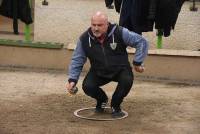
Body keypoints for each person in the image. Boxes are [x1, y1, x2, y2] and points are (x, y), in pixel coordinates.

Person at [66, 11, 149, 117]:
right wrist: (72, 80)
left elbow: (142, 42)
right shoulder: (84, 39)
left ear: (107, 24)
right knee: (87, 86)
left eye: (99, 25)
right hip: (98, 70)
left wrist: (137, 62)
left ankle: (115, 105)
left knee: (127, 81)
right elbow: (77, 60)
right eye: (93, 25)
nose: (96, 28)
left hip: (120, 69)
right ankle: (102, 100)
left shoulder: (120, 32)